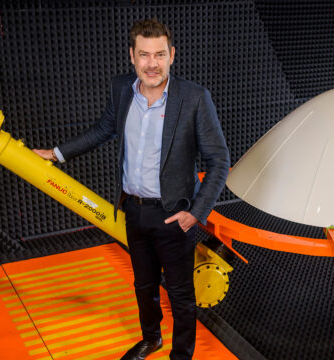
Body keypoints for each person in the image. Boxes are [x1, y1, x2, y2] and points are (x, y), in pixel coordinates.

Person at [33, 18, 229, 360]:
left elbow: (219, 160)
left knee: (181, 295)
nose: (151, 64)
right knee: (144, 286)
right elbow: (103, 129)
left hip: (173, 215)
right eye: (143, 55)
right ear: (132, 56)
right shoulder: (122, 88)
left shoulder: (195, 98)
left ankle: (181, 355)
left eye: (159, 55)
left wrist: (195, 214)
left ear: (172, 55)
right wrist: (56, 153)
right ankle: (150, 339)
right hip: (133, 210)